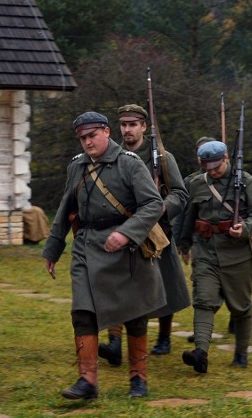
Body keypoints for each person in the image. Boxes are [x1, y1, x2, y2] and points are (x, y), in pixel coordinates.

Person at [43, 111, 166, 399]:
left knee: (135, 314)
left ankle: (138, 378)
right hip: (86, 246)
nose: (87, 143)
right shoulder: (77, 167)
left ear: (107, 132)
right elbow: (65, 207)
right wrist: (53, 248)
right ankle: (87, 381)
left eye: (92, 136)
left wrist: (126, 233)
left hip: (127, 248)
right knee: (83, 312)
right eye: (83, 138)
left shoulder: (129, 164)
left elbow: (153, 204)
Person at [98, 104, 190, 361]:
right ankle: (114, 343)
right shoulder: (112, 156)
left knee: (163, 284)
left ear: (144, 127)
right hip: (123, 230)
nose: (127, 130)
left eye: (133, 124)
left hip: (156, 232)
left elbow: (181, 195)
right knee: (117, 284)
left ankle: (164, 337)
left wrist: (161, 207)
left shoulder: (162, 158)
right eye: (124, 125)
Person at [178, 140, 252, 372]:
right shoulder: (197, 184)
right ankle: (201, 354)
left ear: (226, 158)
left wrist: (245, 229)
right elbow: (189, 216)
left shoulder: (246, 182)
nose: (212, 171)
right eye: (208, 167)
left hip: (237, 254)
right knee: (203, 301)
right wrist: (184, 244)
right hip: (205, 252)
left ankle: (241, 354)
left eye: (216, 166)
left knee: (241, 307)